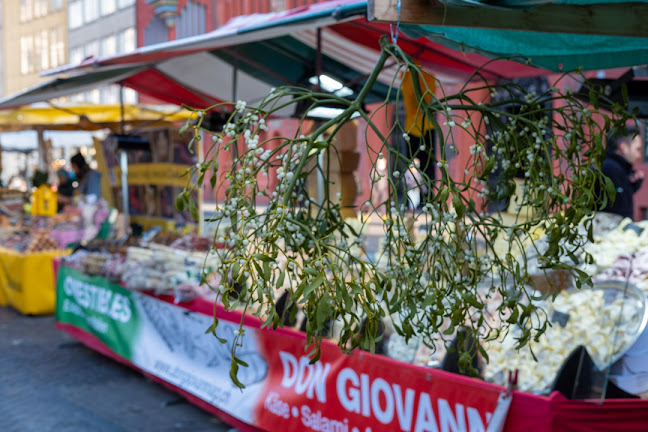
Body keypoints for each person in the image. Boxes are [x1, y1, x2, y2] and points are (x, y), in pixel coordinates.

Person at [597, 127, 644, 220]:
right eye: (637, 149)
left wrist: (633, 185)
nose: (639, 156)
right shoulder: (610, 169)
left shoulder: (617, 167)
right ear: (623, 147)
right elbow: (617, 211)